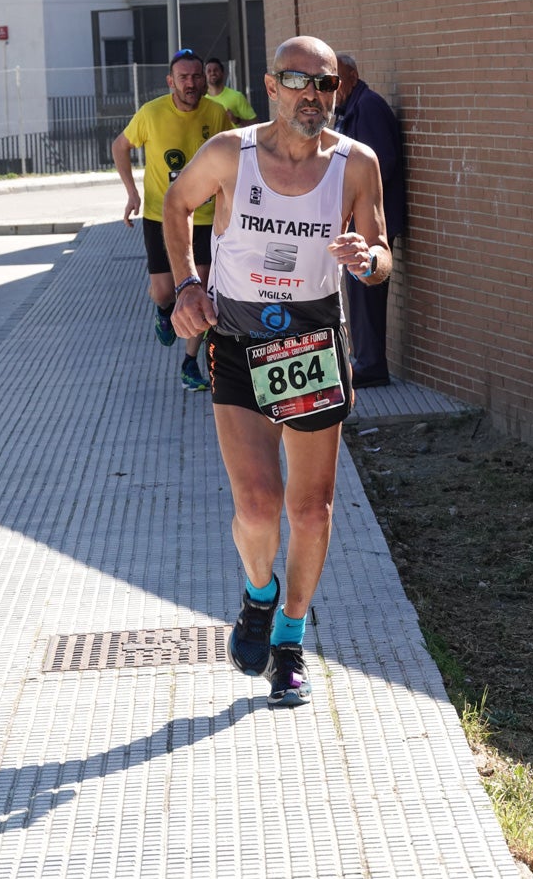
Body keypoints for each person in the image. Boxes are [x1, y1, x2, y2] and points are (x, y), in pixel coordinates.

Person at [163, 35, 391, 707]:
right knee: (258, 506)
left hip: (313, 343)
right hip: (236, 338)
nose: (311, 95)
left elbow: (382, 257)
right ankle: (258, 594)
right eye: (297, 81)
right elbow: (175, 206)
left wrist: (365, 259)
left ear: (334, 92)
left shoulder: (355, 164)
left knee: (311, 511)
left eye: (323, 84)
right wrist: (186, 286)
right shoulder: (230, 154)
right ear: (270, 85)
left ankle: (289, 641)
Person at [112, 48, 232, 391]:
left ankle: (190, 363)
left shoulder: (217, 113)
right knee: (163, 291)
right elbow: (119, 146)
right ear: (171, 82)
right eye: (184, 78)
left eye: (196, 76)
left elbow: (231, 160)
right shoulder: (150, 113)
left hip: (208, 219)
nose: (191, 83)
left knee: (203, 290)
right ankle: (164, 310)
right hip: (161, 216)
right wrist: (132, 193)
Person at [334, 54, 405, 388]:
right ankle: (364, 359)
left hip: (373, 220)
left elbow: (381, 164)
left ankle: (371, 364)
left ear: (353, 75)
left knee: (366, 288)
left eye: (336, 79)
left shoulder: (369, 106)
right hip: (357, 219)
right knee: (357, 291)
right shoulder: (350, 107)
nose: (331, 89)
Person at [204, 57, 258, 127]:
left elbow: (255, 124)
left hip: (235, 137)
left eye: (216, 70)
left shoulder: (237, 97)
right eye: (209, 71)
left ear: (223, 73)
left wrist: (236, 120)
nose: (212, 73)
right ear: (205, 75)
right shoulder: (202, 101)